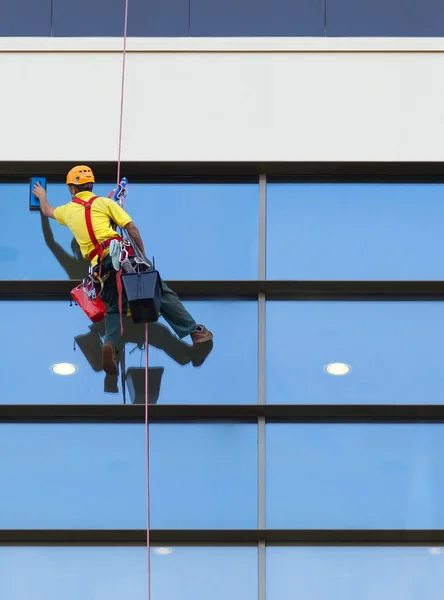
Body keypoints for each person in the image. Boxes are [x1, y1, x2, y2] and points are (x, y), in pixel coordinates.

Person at [33, 165, 213, 376]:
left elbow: (47, 213)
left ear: (72, 189)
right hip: (123, 257)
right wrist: (143, 259)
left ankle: (110, 343)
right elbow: (131, 228)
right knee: (158, 291)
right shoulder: (105, 202)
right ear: (91, 186)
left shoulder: (67, 210)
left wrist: (42, 196)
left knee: (114, 307)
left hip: (100, 269)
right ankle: (195, 332)